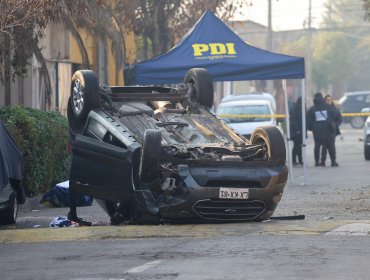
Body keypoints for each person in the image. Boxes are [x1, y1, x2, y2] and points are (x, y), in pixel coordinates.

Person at [307, 92, 339, 167]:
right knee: (331, 146)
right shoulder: (328, 107)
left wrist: (311, 128)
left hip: (317, 131)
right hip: (328, 130)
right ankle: (333, 161)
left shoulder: (312, 109)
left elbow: (309, 121)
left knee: (317, 147)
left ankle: (317, 162)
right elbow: (334, 116)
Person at [320, 94, 342, 166]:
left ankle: (333, 161)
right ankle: (323, 161)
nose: (329, 101)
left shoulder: (334, 109)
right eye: (327, 100)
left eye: (330, 100)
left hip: (332, 131)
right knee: (324, 147)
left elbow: (339, 119)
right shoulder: (322, 109)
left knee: (331, 147)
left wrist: (335, 125)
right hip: (323, 130)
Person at [289, 96, 304, 166]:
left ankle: (300, 161)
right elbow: (294, 120)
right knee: (296, 146)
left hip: (298, 130)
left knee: (299, 146)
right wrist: (297, 130)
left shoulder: (297, 107)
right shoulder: (295, 108)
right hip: (296, 131)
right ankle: (294, 161)